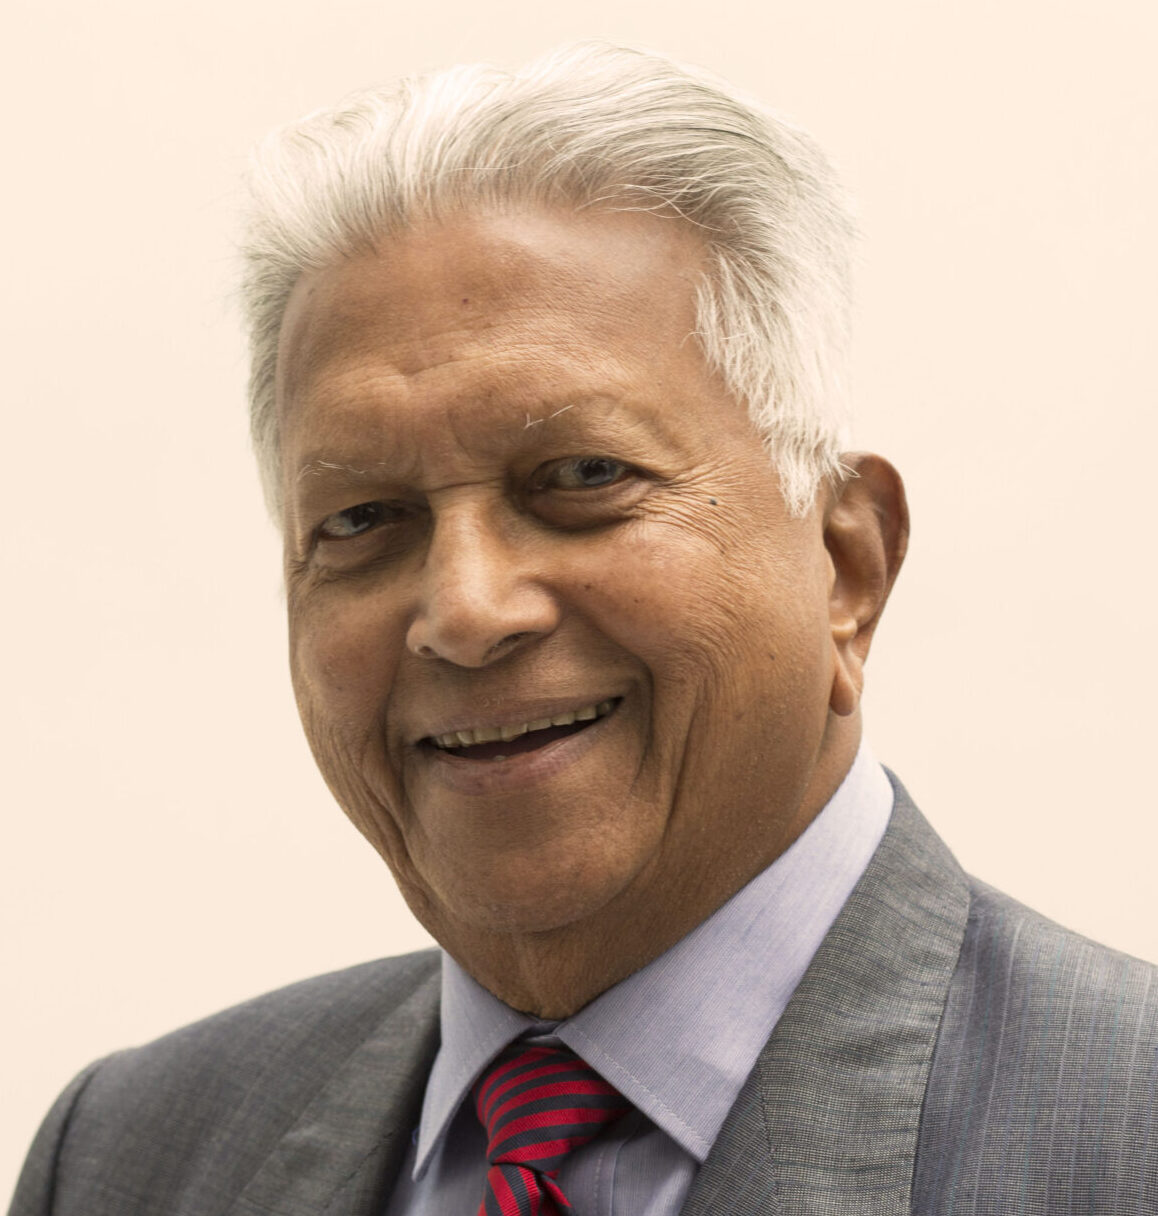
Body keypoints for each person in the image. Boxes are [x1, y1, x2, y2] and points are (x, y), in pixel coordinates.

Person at [10, 41, 1157, 1216]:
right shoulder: (124, 1162)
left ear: (847, 565)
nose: (465, 610)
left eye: (584, 474)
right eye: (361, 519)